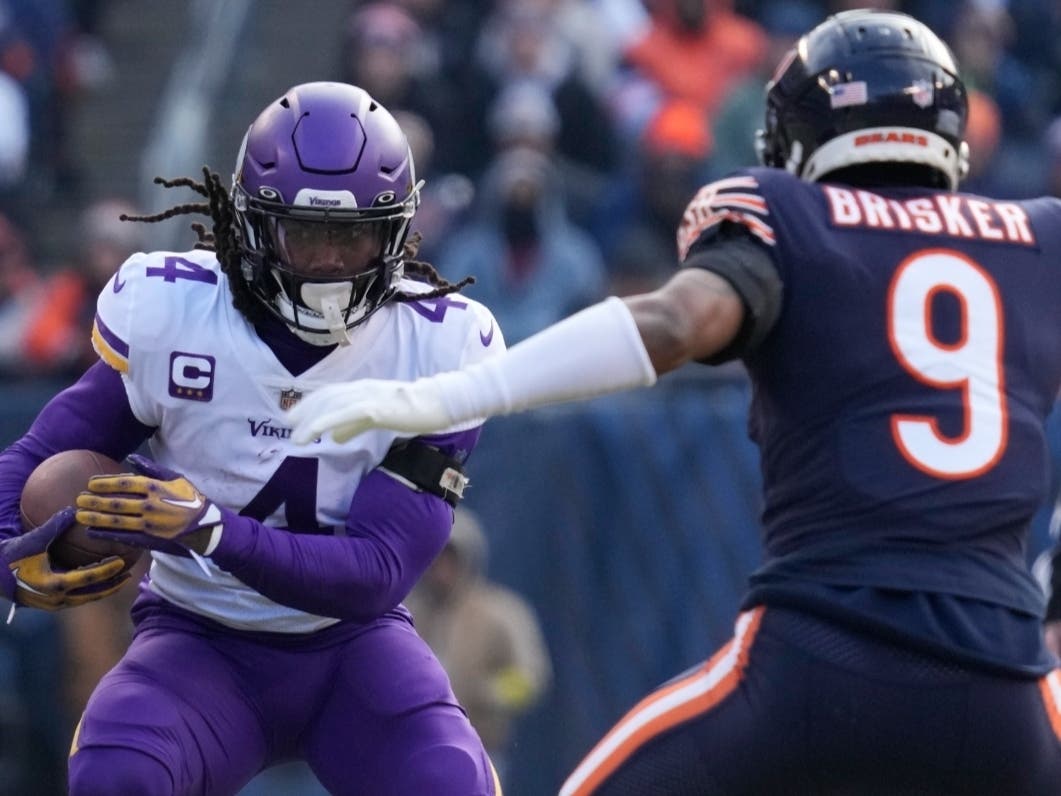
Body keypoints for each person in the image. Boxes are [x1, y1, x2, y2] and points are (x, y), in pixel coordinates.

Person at [287, 11, 1061, 794]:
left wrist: (456, 392)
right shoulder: (1041, 238)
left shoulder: (787, 215)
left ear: (799, 136)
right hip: (1005, 685)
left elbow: (678, 320)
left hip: (820, 662)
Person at [0, 81, 505, 796]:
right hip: (197, 640)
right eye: (306, 233)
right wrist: (8, 553)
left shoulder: (441, 344)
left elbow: (375, 573)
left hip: (353, 652)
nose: (330, 262)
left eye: (352, 233)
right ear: (252, 225)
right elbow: (32, 461)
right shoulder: (173, 311)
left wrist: (209, 531)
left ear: (398, 231)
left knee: (447, 782)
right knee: (116, 776)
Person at [405, 507, 552, 787]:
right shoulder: (407, 613)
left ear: (467, 559)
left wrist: (487, 692)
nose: (440, 569)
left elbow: (532, 677)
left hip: (482, 750)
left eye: (449, 559)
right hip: (415, 750)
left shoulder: (501, 614)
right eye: (434, 559)